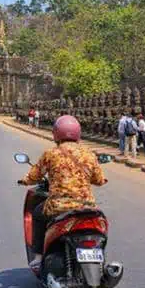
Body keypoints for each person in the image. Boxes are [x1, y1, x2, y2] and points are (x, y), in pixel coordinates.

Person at [17, 115, 107, 271]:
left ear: (56, 133)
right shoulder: (89, 154)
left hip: (59, 206)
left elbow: (34, 175)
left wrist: (25, 181)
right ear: (78, 133)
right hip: (86, 206)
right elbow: (99, 180)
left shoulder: (51, 154)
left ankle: (38, 257)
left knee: (37, 214)